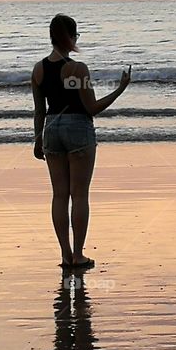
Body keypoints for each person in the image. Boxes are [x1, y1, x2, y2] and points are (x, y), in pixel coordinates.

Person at [30, 14, 131, 268]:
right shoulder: (78, 68)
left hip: (51, 128)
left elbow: (39, 111)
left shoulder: (39, 69)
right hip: (78, 128)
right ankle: (78, 254)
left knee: (59, 196)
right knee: (80, 195)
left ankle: (64, 254)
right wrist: (120, 89)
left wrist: (37, 139)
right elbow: (92, 108)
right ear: (71, 37)